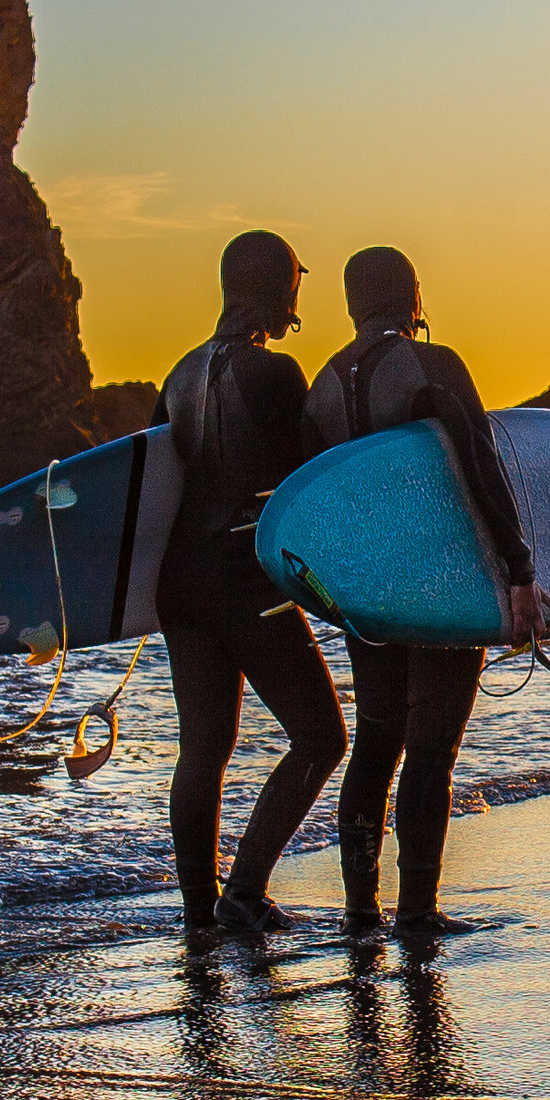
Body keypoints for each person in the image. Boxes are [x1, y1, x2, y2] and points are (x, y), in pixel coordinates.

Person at [303, 245, 548, 938]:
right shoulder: (432, 366)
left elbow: (316, 505)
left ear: (353, 303)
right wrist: (519, 569)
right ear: (414, 298)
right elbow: (479, 461)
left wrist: (335, 595)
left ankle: (358, 911)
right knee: (432, 749)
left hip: (366, 590)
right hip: (440, 579)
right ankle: (415, 912)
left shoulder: (322, 384)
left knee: (377, 741)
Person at [156, 230, 346, 936]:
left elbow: (153, 492)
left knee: (202, 746)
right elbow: (309, 483)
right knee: (322, 736)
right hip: (245, 581)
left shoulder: (176, 376)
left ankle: (197, 914)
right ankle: (243, 893)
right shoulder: (275, 374)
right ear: (280, 289)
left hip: (181, 583)